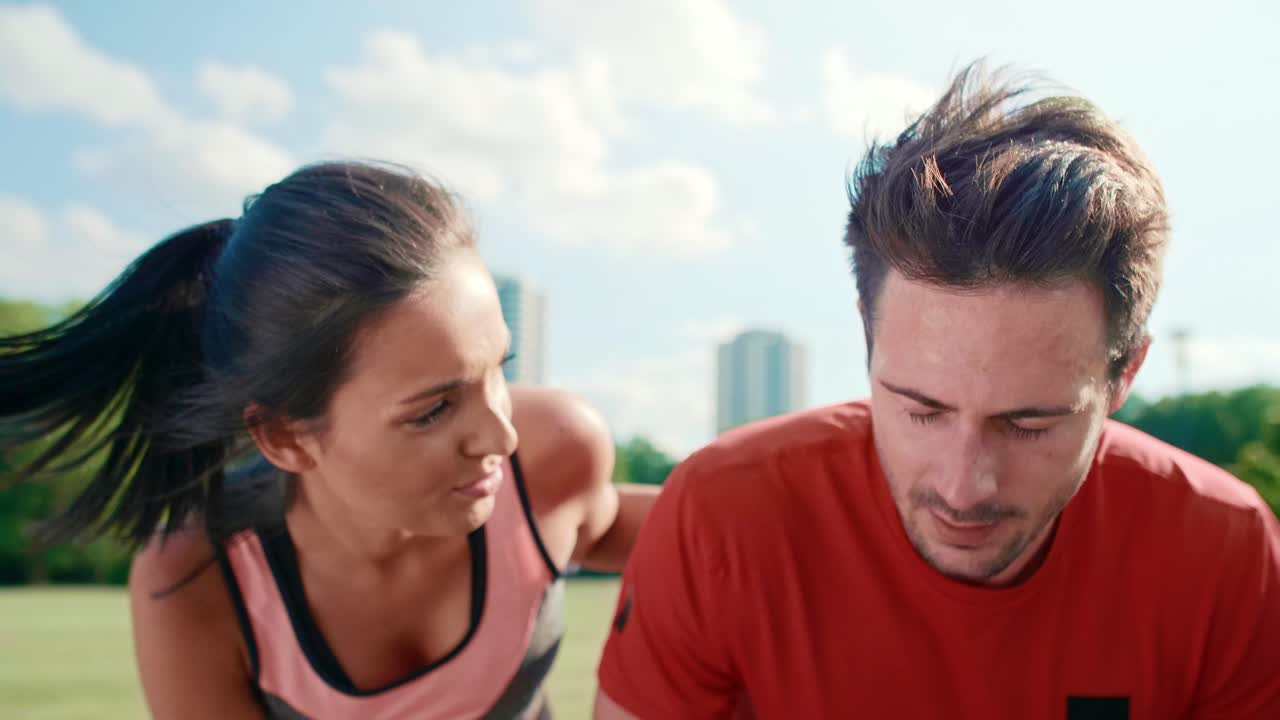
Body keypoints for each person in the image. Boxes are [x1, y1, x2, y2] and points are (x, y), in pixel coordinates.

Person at [594, 62, 1280, 718]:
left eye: (1029, 425)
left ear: (1124, 374)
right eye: (921, 410)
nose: (964, 486)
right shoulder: (722, 512)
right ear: (868, 336)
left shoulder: (1226, 548)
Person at [0, 161, 658, 719]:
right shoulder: (198, 581)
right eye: (433, 410)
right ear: (285, 437)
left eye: (499, 370)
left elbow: (699, 533)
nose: (501, 434)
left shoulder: (553, 454)